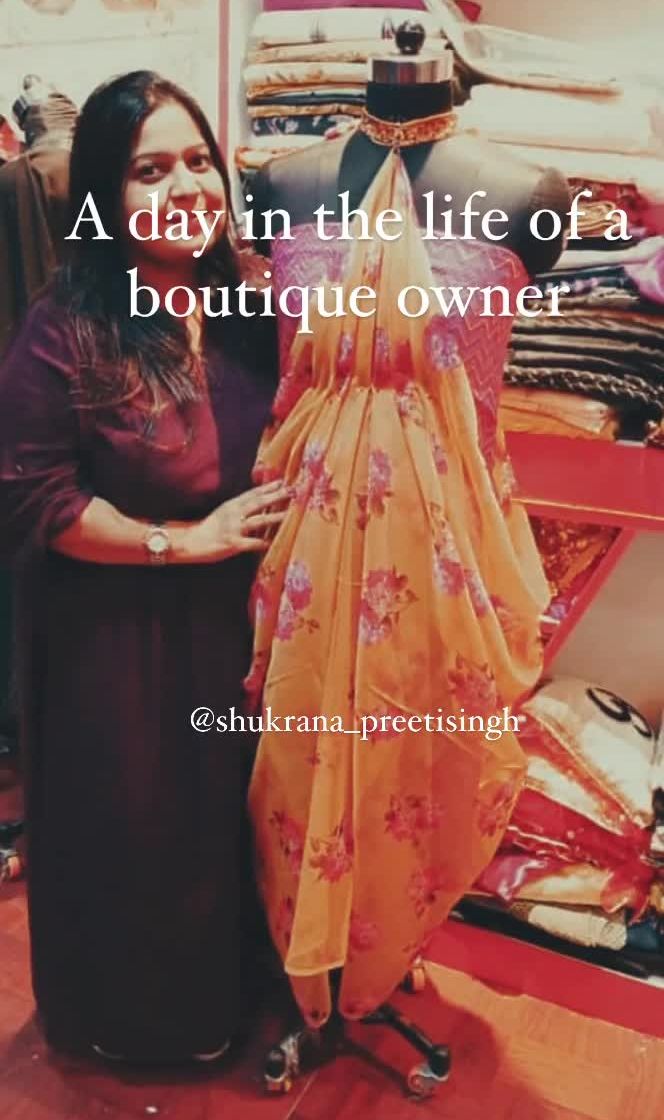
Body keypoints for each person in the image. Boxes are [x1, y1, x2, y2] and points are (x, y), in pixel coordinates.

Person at [0, 70, 288, 1063]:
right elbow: (39, 499)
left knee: (227, 824)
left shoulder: (246, 303)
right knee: (140, 833)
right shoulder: (66, 327)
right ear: (102, 195)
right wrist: (182, 540)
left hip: (234, 629)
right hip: (119, 640)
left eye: (199, 159)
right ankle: (137, 1031)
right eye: (150, 169)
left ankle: (234, 997)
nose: (187, 186)